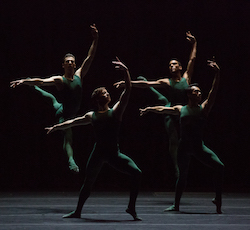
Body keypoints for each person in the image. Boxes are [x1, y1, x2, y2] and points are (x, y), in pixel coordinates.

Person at [45, 58, 142, 221]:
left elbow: (128, 91)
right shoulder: (92, 115)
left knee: (137, 173)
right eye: (104, 93)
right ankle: (77, 211)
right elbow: (73, 122)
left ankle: (131, 207)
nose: (108, 94)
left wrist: (126, 71)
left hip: (113, 153)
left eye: (107, 92)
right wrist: (56, 127)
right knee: (87, 183)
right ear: (98, 99)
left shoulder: (116, 111)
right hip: (98, 153)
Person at [10, 24, 99, 173]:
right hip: (64, 114)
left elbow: (90, 57)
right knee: (68, 135)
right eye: (67, 61)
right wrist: (25, 81)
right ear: (63, 65)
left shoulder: (79, 75)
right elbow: (42, 80)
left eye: (72, 61)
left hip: (63, 107)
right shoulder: (59, 80)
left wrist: (96, 39)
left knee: (52, 100)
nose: (70, 63)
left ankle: (36, 90)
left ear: (75, 64)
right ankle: (71, 160)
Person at [140, 60, 224, 214]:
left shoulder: (204, 108)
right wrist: (149, 109)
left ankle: (218, 200)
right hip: (184, 147)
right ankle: (176, 205)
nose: (199, 93)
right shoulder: (181, 109)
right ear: (189, 94)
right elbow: (164, 109)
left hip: (199, 147)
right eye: (196, 91)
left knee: (219, 167)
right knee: (182, 177)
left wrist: (217, 74)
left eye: (200, 92)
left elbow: (214, 90)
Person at [114, 31, 197, 177]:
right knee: (173, 136)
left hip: (182, 110)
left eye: (174, 64)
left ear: (180, 67)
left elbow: (192, 59)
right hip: (170, 110)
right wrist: (128, 83)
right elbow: (145, 84)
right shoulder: (166, 81)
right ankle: (177, 167)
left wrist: (194, 44)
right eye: (169, 65)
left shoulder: (186, 78)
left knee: (163, 101)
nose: (171, 66)